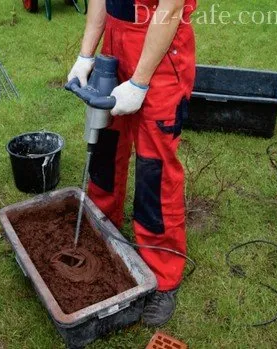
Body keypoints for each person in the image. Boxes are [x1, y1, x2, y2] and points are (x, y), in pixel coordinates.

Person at [67, 0, 197, 326]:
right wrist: (87, 54)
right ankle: (102, 228)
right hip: (116, 38)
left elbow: (170, 8)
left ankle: (163, 273)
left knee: (155, 167)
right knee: (106, 147)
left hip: (161, 46)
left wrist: (140, 82)